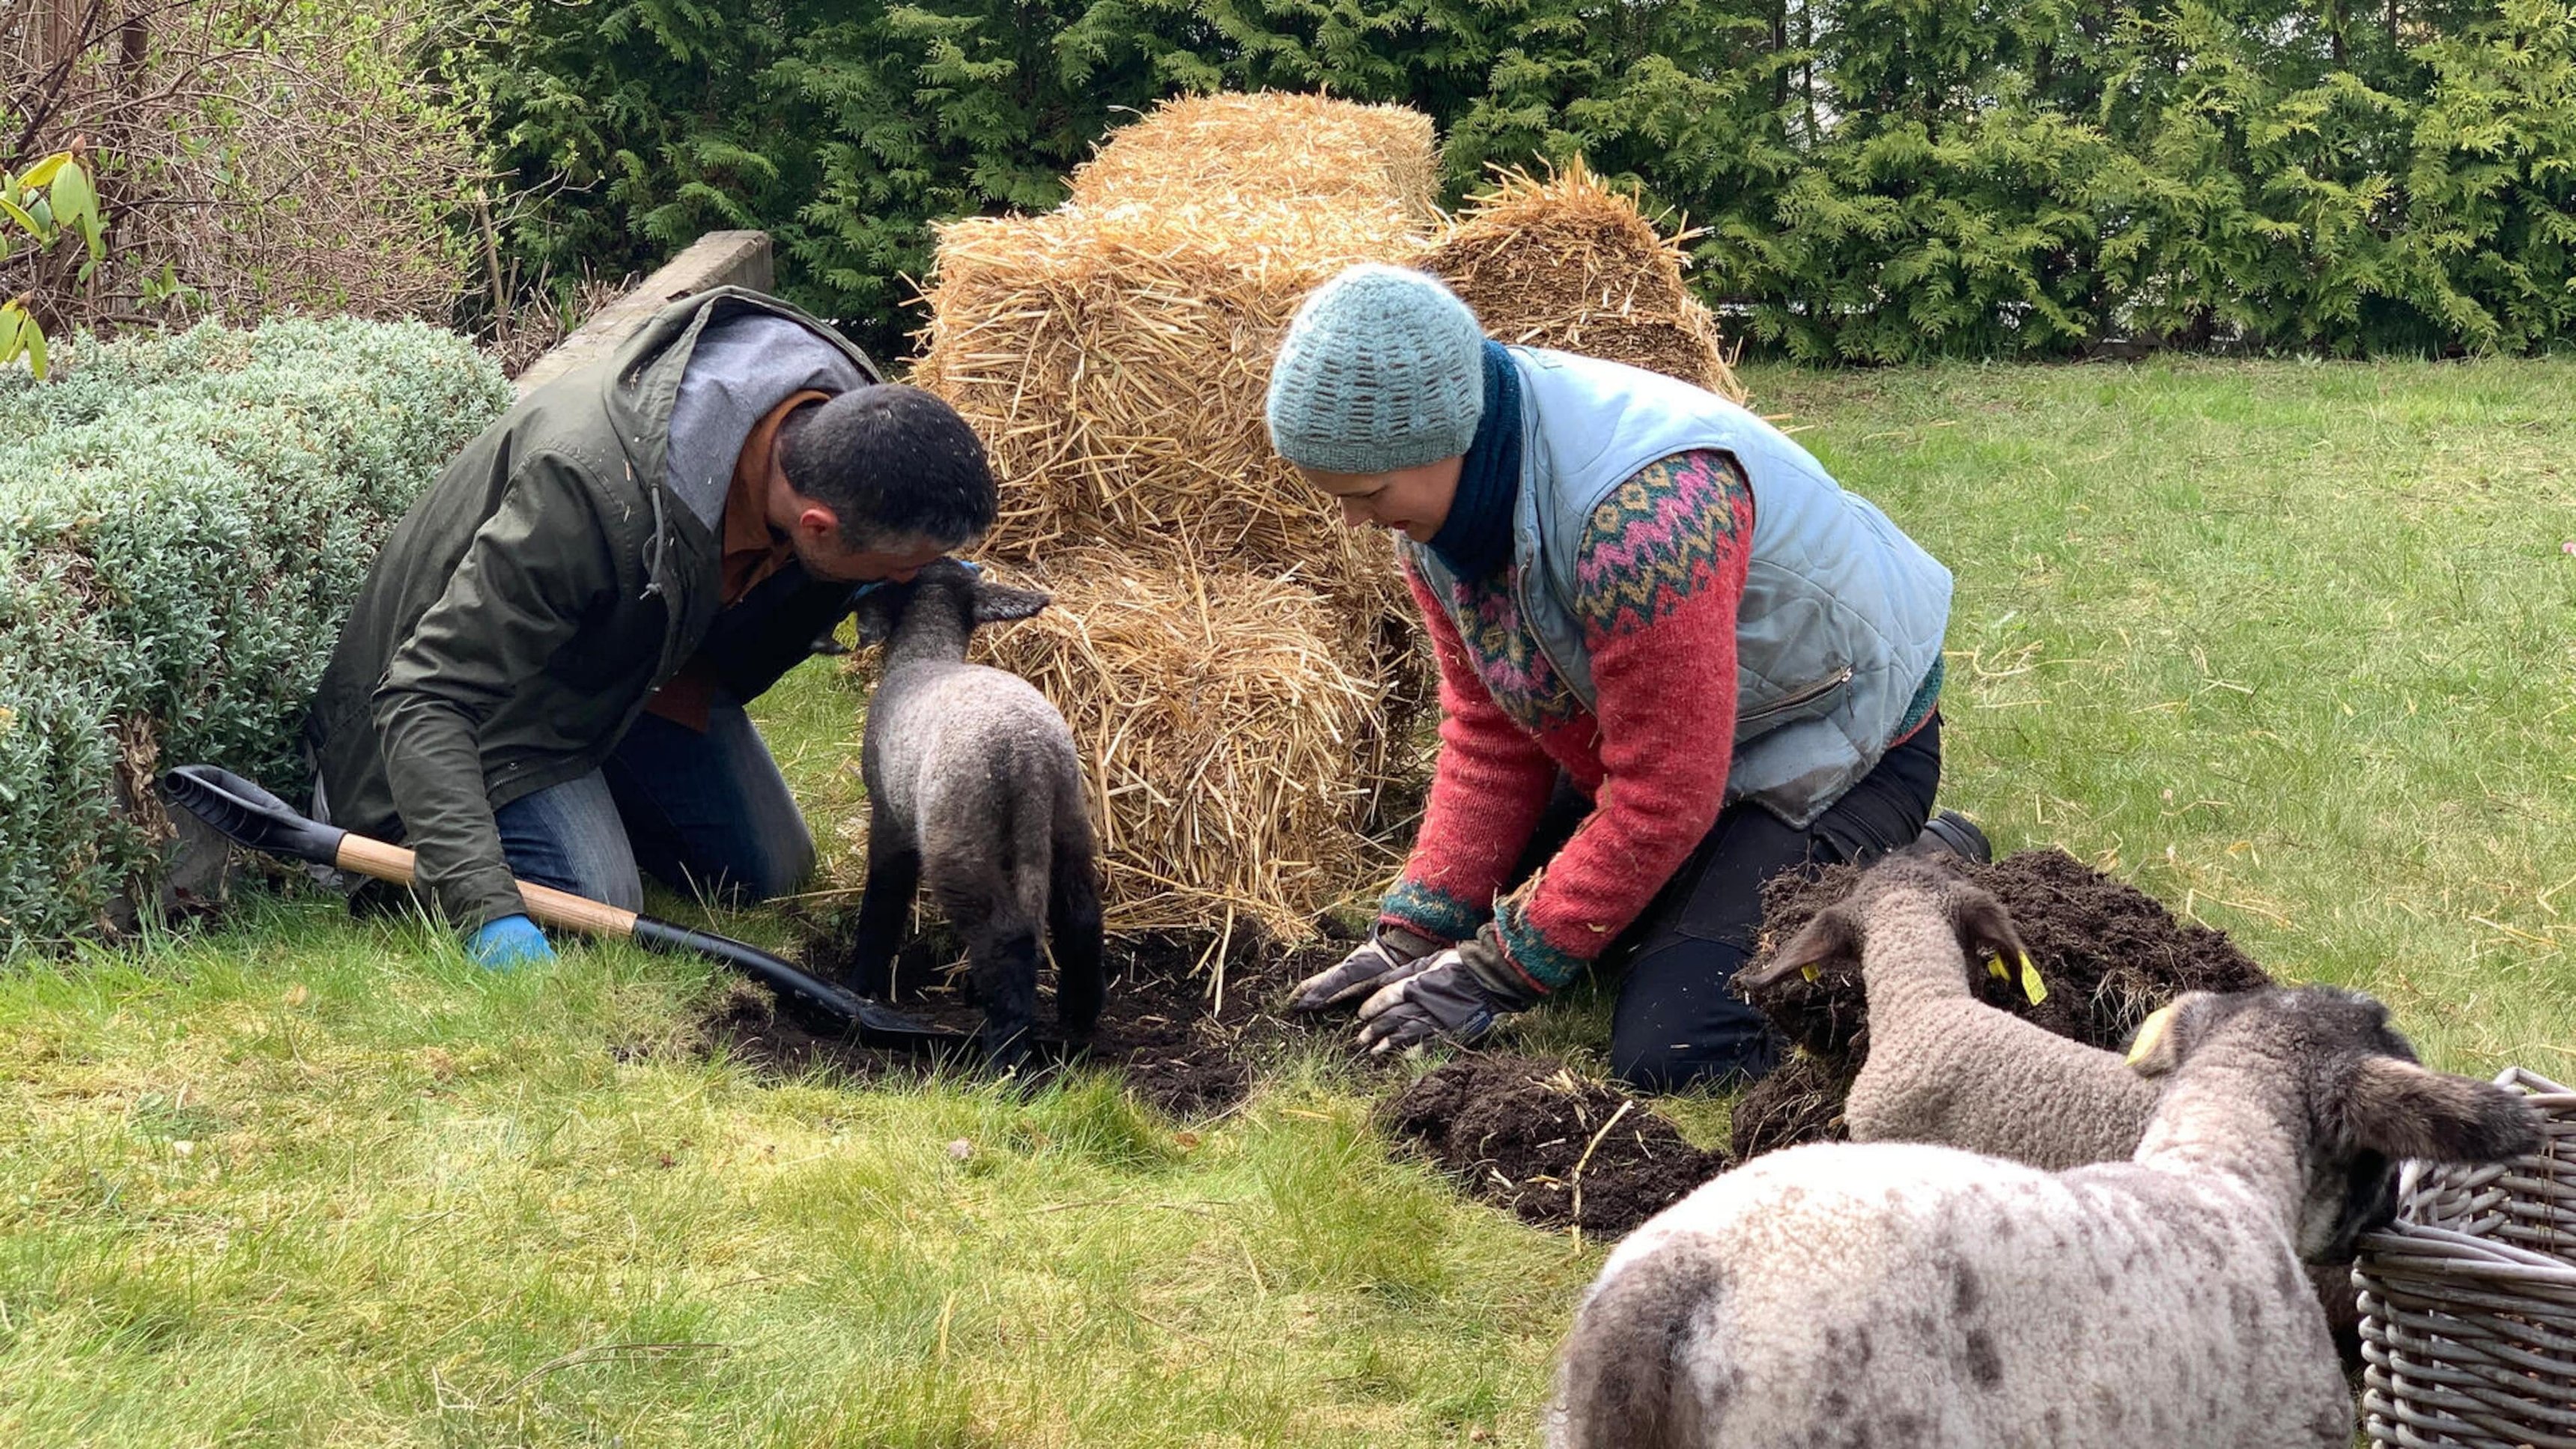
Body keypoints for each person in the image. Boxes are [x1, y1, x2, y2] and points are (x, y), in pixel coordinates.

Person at [1270, 264, 1980, 1088]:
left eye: (1366, 492)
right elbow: (1493, 729)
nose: (1353, 520)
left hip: (1835, 746)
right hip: (1693, 744)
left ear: (1445, 435)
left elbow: (1664, 794)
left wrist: (1497, 974)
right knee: (1538, 911)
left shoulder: (1642, 520)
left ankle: (1917, 876)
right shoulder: (1441, 514)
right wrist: (1417, 934)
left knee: (1679, 1046)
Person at [305, 286, 997, 969]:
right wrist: (487, 909)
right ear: (817, 526)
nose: (909, 579)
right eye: (904, 565)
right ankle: (500, 827)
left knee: (765, 870)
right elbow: (424, 695)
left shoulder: (840, 429)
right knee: (594, 896)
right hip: (488, 702)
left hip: (632, 661)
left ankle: (594, 786)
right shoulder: (584, 490)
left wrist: (898, 574)